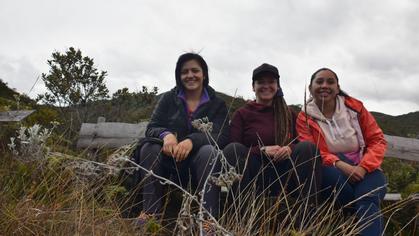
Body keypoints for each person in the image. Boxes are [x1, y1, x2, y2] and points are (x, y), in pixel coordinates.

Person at [134, 52, 229, 225]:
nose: (190, 75)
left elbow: (221, 136)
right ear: (179, 76)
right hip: (169, 163)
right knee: (149, 148)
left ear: (204, 74)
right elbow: (152, 127)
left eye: (195, 70)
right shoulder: (168, 99)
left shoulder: (218, 104)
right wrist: (167, 136)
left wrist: (192, 140)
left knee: (210, 152)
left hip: (198, 164)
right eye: (184, 72)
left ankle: (208, 220)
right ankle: (150, 214)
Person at [296, 68, 387, 236]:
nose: (325, 85)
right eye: (319, 81)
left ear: (337, 88)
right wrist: (340, 164)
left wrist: (363, 167)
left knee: (367, 197)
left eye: (330, 82)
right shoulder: (304, 117)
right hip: (332, 169)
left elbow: (377, 140)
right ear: (310, 88)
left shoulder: (355, 108)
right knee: (361, 201)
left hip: (367, 168)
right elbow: (313, 151)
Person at [224, 63, 322, 209]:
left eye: (271, 82)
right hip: (254, 174)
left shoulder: (288, 113)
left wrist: (289, 148)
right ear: (253, 86)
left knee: (308, 148)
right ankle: (241, 210)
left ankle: (307, 212)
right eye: (261, 82)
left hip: (285, 173)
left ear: (277, 86)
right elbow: (232, 148)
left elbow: (300, 141)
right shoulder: (242, 114)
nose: (266, 86)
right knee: (233, 149)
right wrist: (262, 150)